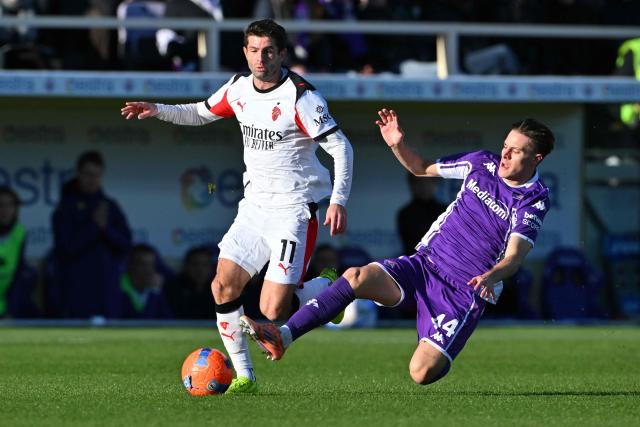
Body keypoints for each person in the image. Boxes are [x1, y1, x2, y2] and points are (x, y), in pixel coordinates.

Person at [240, 108, 555, 386]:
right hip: (425, 265)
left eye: (516, 151)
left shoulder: (533, 198)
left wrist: (490, 277)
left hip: (462, 291)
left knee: (421, 373)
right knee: (356, 277)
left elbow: (514, 257)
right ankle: (282, 336)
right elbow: (420, 167)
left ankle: (440, 338)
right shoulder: (481, 163)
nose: (505, 155)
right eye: (505, 146)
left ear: (536, 158)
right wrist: (396, 144)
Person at [120, 18, 353, 393]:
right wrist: (157, 108)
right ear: (245, 51)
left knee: (274, 311)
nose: (261, 59)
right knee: (223, 286)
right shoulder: (239, 88)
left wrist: (338, 199)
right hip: (254, 208)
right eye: (254, 50)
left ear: (282, 54)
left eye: (269, 51)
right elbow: (199, 112)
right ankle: (245, 377)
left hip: (293, 211)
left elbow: (341, 147)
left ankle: (327, 290)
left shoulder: (302, 97)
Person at [51, 150, 132, 319]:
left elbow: (126, 244)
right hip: (76, 290)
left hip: (107, 290)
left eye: (97, 175)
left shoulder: (110, 206)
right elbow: (65, 249)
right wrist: (94, 227)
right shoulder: (66, 207)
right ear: (78, 173)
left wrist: (106, 229)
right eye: (88, 174)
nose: (92, 179)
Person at [0, 186, 38, 318]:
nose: (5, 210)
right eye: (1, 205)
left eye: (9, 205)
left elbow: (18, 272)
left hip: (6, 300)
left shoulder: (19, 232)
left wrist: (11, 310)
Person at [396, 173, 447, 255]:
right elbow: (411, 244)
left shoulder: (446, 211)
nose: (424, 186)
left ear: (435, 183)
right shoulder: (405, 214)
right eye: (419, 182)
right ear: (411, 185)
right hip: (416, 262)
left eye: (427, 182)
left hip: (442, 260)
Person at [118, 244, 172, 319]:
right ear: (130, 265)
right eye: (143, 264)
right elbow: (141, 323)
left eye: (151, 265)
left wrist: (155, 292)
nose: (149, 270)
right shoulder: (119, 288)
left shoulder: (155, 287)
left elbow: (168, 320)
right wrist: (154, 294)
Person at [163, 246, 217, 319]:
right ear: (186, 266)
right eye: (195, 264)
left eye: (205, 265)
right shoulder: (172, 288)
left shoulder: (219, 288)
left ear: (211, 268)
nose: (200, 270)